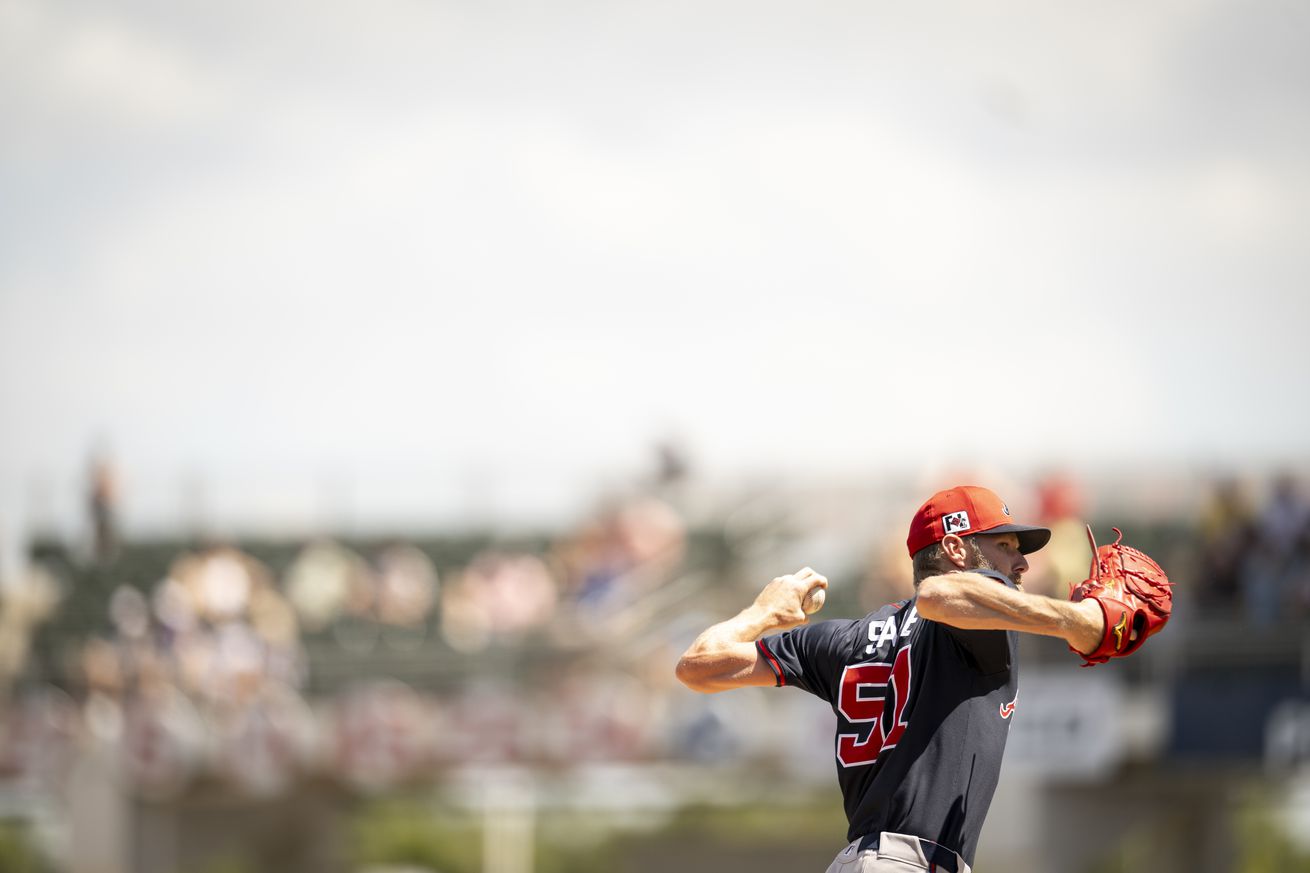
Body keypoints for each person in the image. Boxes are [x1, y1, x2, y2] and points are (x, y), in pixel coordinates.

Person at [675, 485, 1108, 873]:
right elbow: (938, 594)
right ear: (956, 549)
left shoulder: (844, 639)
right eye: (1005, 545)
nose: (1021, 562)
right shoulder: (974, 615)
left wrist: (760, 614)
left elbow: (699, 664)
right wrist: (1083, 621)